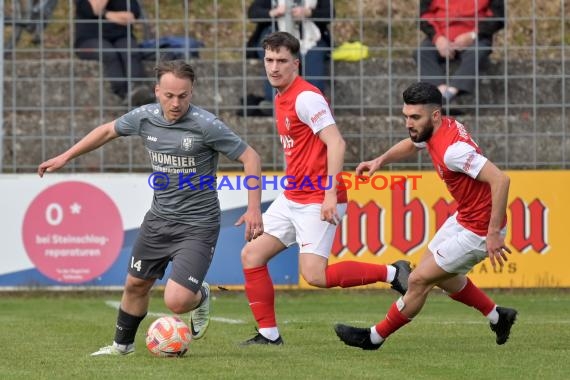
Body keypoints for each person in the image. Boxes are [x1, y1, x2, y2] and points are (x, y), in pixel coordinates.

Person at [37, 59, 264, 356]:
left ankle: (201, 294)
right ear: (157, 91)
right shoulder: (144, 118)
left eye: (183, 96)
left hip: (197, 225)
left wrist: (254, 208)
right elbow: (107, 131)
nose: (175, 103)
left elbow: (251, 158)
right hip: (158, 221)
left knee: (178, 301)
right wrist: (65, 157)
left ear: (191, 92)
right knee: (135, 284)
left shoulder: (206, 126)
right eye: (169, 95)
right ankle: (122, 348)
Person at [240, 31, 412, 346]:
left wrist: (330, 194)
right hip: (293, 194)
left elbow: (336, 142)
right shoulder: (280, 96)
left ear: (295, 63)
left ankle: (392, 273)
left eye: (281, 61)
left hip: (318, 197)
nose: (274, 67)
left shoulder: (306, 97)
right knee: (251, 255)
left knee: (315, 276)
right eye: (269, 60)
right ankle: (268, 334)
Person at [334, 82, 517, 350]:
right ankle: (498, 315)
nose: (409, 123)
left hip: (479, 230)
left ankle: (373, 337)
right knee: (436, 273)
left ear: (434, 115)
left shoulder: (454, 151)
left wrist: (492, 234)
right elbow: (412, 144)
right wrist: (380, 161)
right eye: (406, 116)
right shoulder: (437, 128)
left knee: (419, 279)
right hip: (465, 216)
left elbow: (501, 180)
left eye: (415, 118)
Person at [245, 0, 334, 112]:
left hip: (312, 39)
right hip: (276, 37)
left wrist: (308, 13)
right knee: (275, 59)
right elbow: (253, 13)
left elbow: (330, 13)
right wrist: (275, 12)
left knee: (313, 59)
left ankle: (315, 105)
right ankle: (275, 102)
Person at [415, 0, 505, 105]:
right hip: (441, 35)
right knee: (422, 52)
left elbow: (497, 17)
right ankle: (439, 91)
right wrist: (437, 37)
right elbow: (425, 15)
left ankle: (452, 91)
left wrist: (473, 35)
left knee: (478, 52)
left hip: (476, 37)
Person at [74, 0, 155, 106]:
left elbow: (130, 18)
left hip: (121, 36)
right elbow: (95, 9)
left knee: (130, 50)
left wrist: (105, 13)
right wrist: (113, 15)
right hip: (89, 39)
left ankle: (138, 87)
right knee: (109, 54)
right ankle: (124, 93)